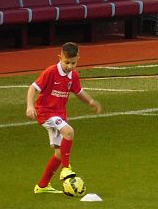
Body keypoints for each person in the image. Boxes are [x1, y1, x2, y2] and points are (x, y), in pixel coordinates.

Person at [26, 42, 102, 194]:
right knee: (69, 132)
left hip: (59, 114)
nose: (70, 66)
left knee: (60, 154)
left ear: (78, 59)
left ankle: (42, 186)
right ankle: (66, 169)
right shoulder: (51, 72)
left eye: (73, 63)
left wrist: (91, 101)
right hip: (46, 112)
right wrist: (30, 106)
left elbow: (79, 92)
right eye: (67, 62)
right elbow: (33, 87)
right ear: (60, 57)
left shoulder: (73, 75)